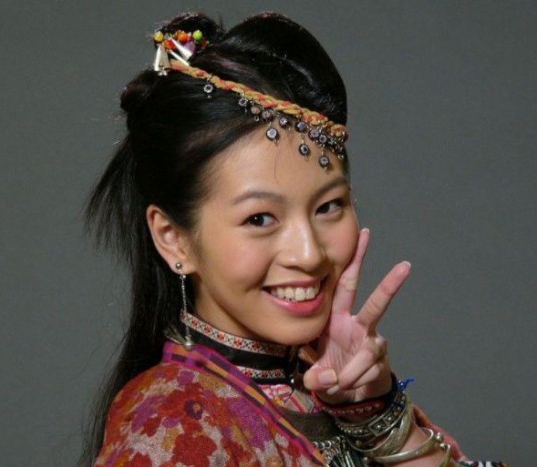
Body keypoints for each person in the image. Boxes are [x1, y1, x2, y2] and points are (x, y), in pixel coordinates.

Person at [81, 12, 505, 467]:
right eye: (260, 218)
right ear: (174, 240)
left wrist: (375, 413)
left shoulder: (324, 383)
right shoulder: (173, 429)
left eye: (328, 206)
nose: (309, 254)